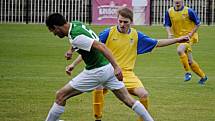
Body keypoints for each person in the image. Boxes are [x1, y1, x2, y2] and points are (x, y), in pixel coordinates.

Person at [64, 7, 190, 121]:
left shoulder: (136, 35)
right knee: (99, 88)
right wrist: (73, 65)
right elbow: (90, 48)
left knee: (144, 94)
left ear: (131, 22)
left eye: (125, 22)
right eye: (120, 21)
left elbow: (157, 43)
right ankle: (98, 118)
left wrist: (177, 40)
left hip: (127, 74)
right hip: (108, 70)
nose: (122, 24)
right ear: (117, 20)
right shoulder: (108, 33)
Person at [44, 13, 155, 121]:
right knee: (128, 100)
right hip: (108, 69)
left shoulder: (76, 37)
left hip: (96, 72)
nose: (54, 34)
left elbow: (101, 46)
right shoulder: (75, 24)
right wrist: (71, 50)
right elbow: (82, 39)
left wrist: (116, 67)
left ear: (56, 27)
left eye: (53, 31)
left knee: (60, 95)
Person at [164, 0, 207, 85]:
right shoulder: (169, 11)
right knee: (190, 61)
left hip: (188, 38)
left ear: (182, 1)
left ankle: (188, 73)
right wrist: (169, 33)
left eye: (179, 1)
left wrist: (191, 33)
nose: (177, 2)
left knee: (180, 50)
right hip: (179, 38)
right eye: (176, 1)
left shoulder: (189, 11)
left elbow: (197, 23)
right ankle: (203, 77)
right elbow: (167, 24)